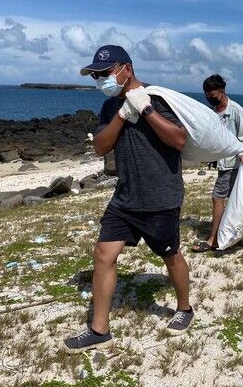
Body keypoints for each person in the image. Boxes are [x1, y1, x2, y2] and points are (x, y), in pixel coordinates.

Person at [64, 45, 194, 352]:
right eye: (96, 75)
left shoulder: (159, 98)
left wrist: (146, 109)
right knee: (103, 255)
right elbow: (100, 147)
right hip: (124, 198)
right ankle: (99, 330)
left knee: (170, 254)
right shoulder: (110, 107)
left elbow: (178, 139)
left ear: (127, 69)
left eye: (105, 73)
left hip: (161, 196)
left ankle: (185, 308)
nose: (100, 80)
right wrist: (123, 114)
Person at [191, 74, 243, 252]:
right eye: (206, 95)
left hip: (233, 163)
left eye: (212, 95)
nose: (209, 98)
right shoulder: (214, 111)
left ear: (222, 91)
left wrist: (242, 153)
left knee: (218, 198)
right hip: (223, 163)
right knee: (234, 199)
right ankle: (234, 235)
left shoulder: (236, 111)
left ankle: (214, 239)